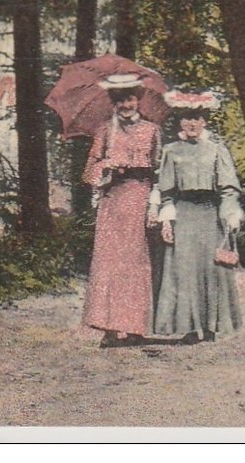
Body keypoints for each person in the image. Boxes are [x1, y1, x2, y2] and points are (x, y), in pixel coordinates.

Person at [152, 91, 245, 342]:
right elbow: (167, 191)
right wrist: (167, 218)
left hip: (209, 215)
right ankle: (190, 328)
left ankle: (211, 326)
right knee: (184, 271)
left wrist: (230, 214)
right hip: (184, 215)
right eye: (186, 119)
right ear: (180, 122)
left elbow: (228, 189)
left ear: (205, 121)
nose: (192, 124)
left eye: (197, 118)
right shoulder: (171, 151)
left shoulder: (216, 150)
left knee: (211, 269)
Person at [81, 72, 162, 346]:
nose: (126, 106)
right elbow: (88, 172)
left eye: (130, 99)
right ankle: (110, 328)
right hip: (112, 201)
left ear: (138, 100)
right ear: (113, 103)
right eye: (119, 101)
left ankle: (136, 326)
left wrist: (154, 201)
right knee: (110, 261)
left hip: (138, 198)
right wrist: (106, 167)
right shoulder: (105, 130)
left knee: (136, 261)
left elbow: (160, 169)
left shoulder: (152, 131)